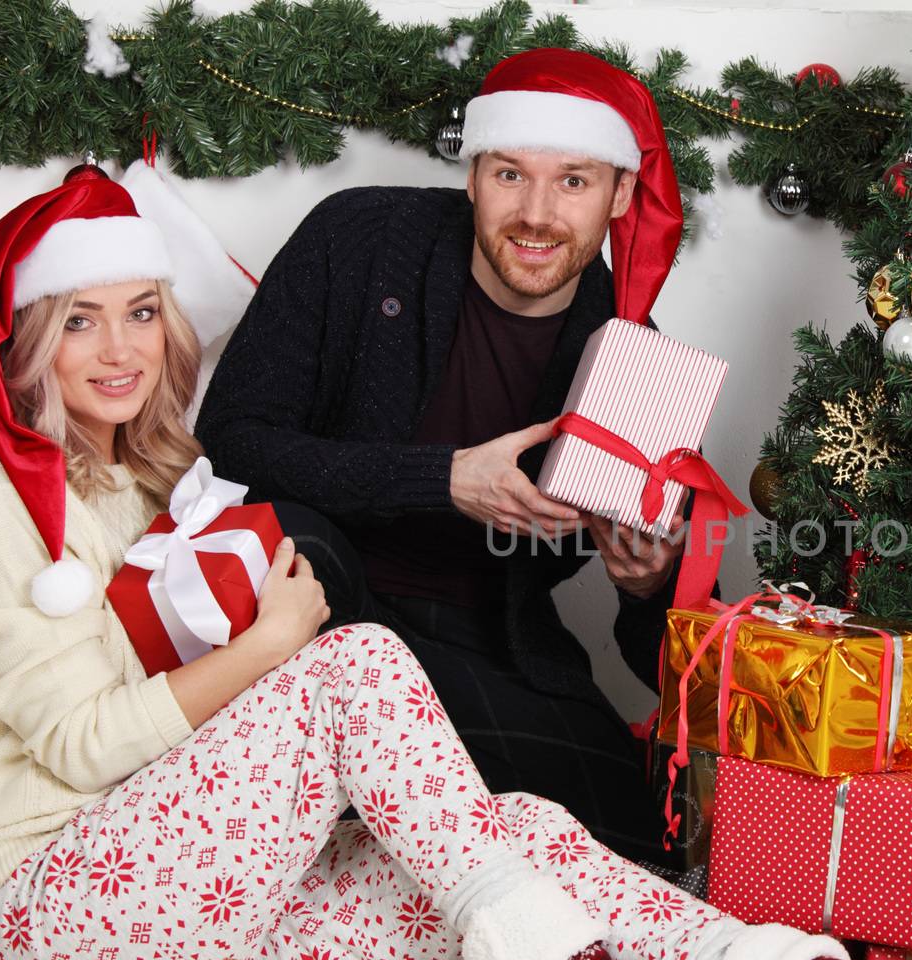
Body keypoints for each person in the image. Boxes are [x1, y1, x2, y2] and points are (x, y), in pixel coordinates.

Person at [0, 173, 912, 960]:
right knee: (352, 658)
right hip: (55, 918)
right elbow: (80, 743)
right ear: (30, 340)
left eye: (139, 310)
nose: (119, 346)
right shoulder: (9, 499)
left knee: (526, 829)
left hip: (197, 901)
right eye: (80, 318)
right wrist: (270, 646)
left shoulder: (154, 471)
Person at [193, 49, 711, 864]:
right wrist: (441, 477)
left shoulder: (639, 366)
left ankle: (387, 827)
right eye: (510, 174)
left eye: (573, 181)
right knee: (290, 529)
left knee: (632, 843)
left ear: (618, 194)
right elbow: (231, 435)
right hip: (324, 604)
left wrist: (648, 582)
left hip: (488, 639)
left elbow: (667, 655)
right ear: (472, 174)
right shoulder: (360, 238)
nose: (536, 213)